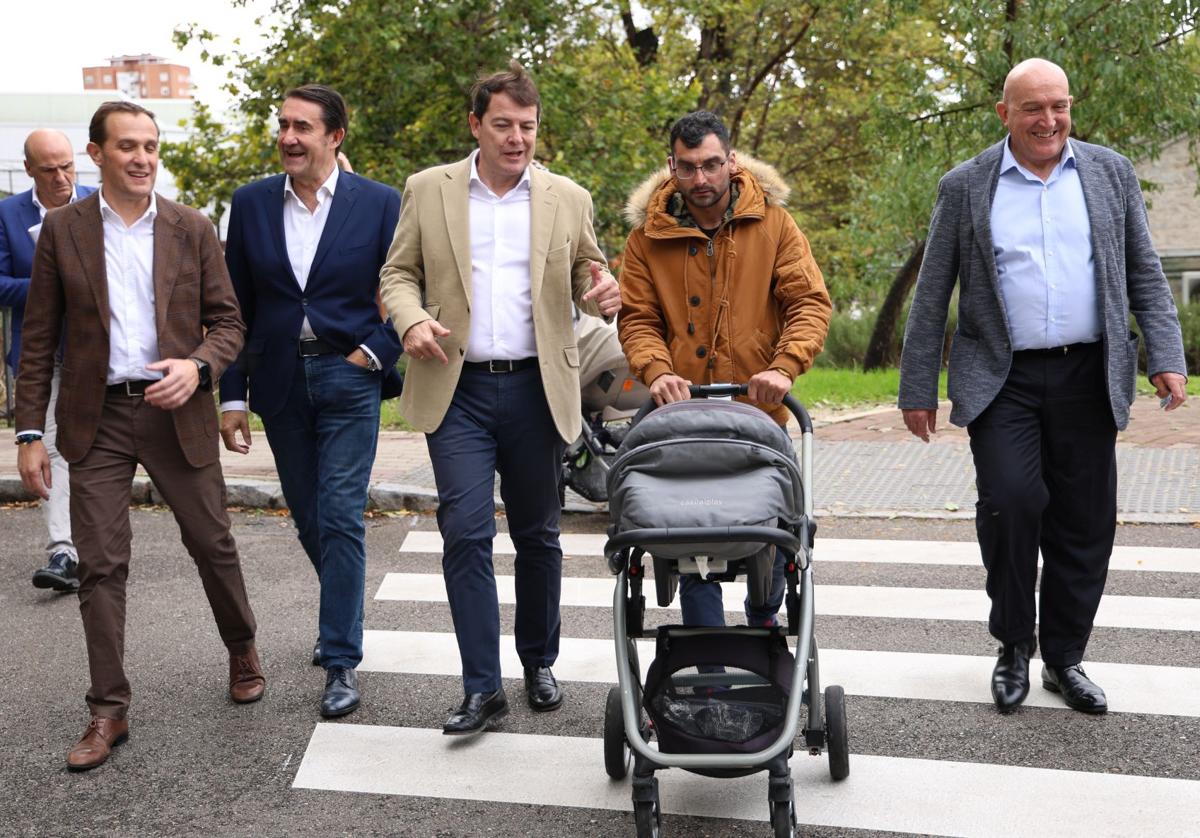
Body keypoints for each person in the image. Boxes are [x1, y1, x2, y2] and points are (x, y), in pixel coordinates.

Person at [899, 58, 1188, 715]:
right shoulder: (966, 185)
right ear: (1005, 114)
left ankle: (1063, 658)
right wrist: (917, 386)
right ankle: (1011, 644)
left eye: (1059, 105)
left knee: (1083, 522)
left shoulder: (1108, 172)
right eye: (1033, 108)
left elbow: (1142, 269)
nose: (1048, 119)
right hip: (1004, 375)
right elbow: (932, 292)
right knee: (1011, 500)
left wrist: (1165, 354)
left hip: (1089, 371)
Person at [15, 101, 265, 771]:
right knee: (99, 565)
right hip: (95, 418)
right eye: (127, 145)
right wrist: (30, 431)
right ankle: (107, 709)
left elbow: (229, 324)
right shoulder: (62, 232)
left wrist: (198, 366)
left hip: (174, 412)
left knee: (211, 542)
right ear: (97, 154)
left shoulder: (191, 227)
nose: (142, 157)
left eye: (151, 145)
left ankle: (241, 644)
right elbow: (37, 339)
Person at [379, 61, 621, 736]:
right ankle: (481, 687)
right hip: (455, 389)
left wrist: (602, 290)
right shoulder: (429, 190)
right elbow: (397, 273)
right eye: (504, 125)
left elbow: (587, 270)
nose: (518, 139)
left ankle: (538, 661)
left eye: (529, 127)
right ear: (476, 124)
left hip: (537, 387)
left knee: (539, 535)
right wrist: (410, 320)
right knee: (464, 532)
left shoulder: (565, 197)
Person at [218, 85, 402, 719]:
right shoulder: (250, 203)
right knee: (308, 516)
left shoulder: (379, 203)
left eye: (302, 127)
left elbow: (408, 287)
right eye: (283, 125)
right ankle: (343, 611)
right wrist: (232, 395)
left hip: (350, 378)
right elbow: (235, 307)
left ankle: (340, 659)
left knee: (341, 513)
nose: (289, 137)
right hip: (279, 382)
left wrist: (375, 352)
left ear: (335, 136)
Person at [617, 110, 832, 628]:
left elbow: (809, 304)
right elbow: (638, 319)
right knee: (692, 539)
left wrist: (782, 367)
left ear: (731, 161)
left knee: (775, 535)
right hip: (683, 418)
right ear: (671, 166)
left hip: (759, 414)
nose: (701, 179)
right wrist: (657, 371)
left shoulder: (775, 225)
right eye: (688, 167)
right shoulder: (647, 240)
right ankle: (706, 664)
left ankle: (763, 620)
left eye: (712, 164)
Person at [0, 130, 96, 592]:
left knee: (101, 447)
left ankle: (97, 542)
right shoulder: (6, 214)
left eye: (67, 167)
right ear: (29, 170)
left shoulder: (101, 202)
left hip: (97, 355)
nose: (61, 178)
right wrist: (48, 282)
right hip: (41, 356)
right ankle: (63, 551)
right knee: (50, 448)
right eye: (49, 170)